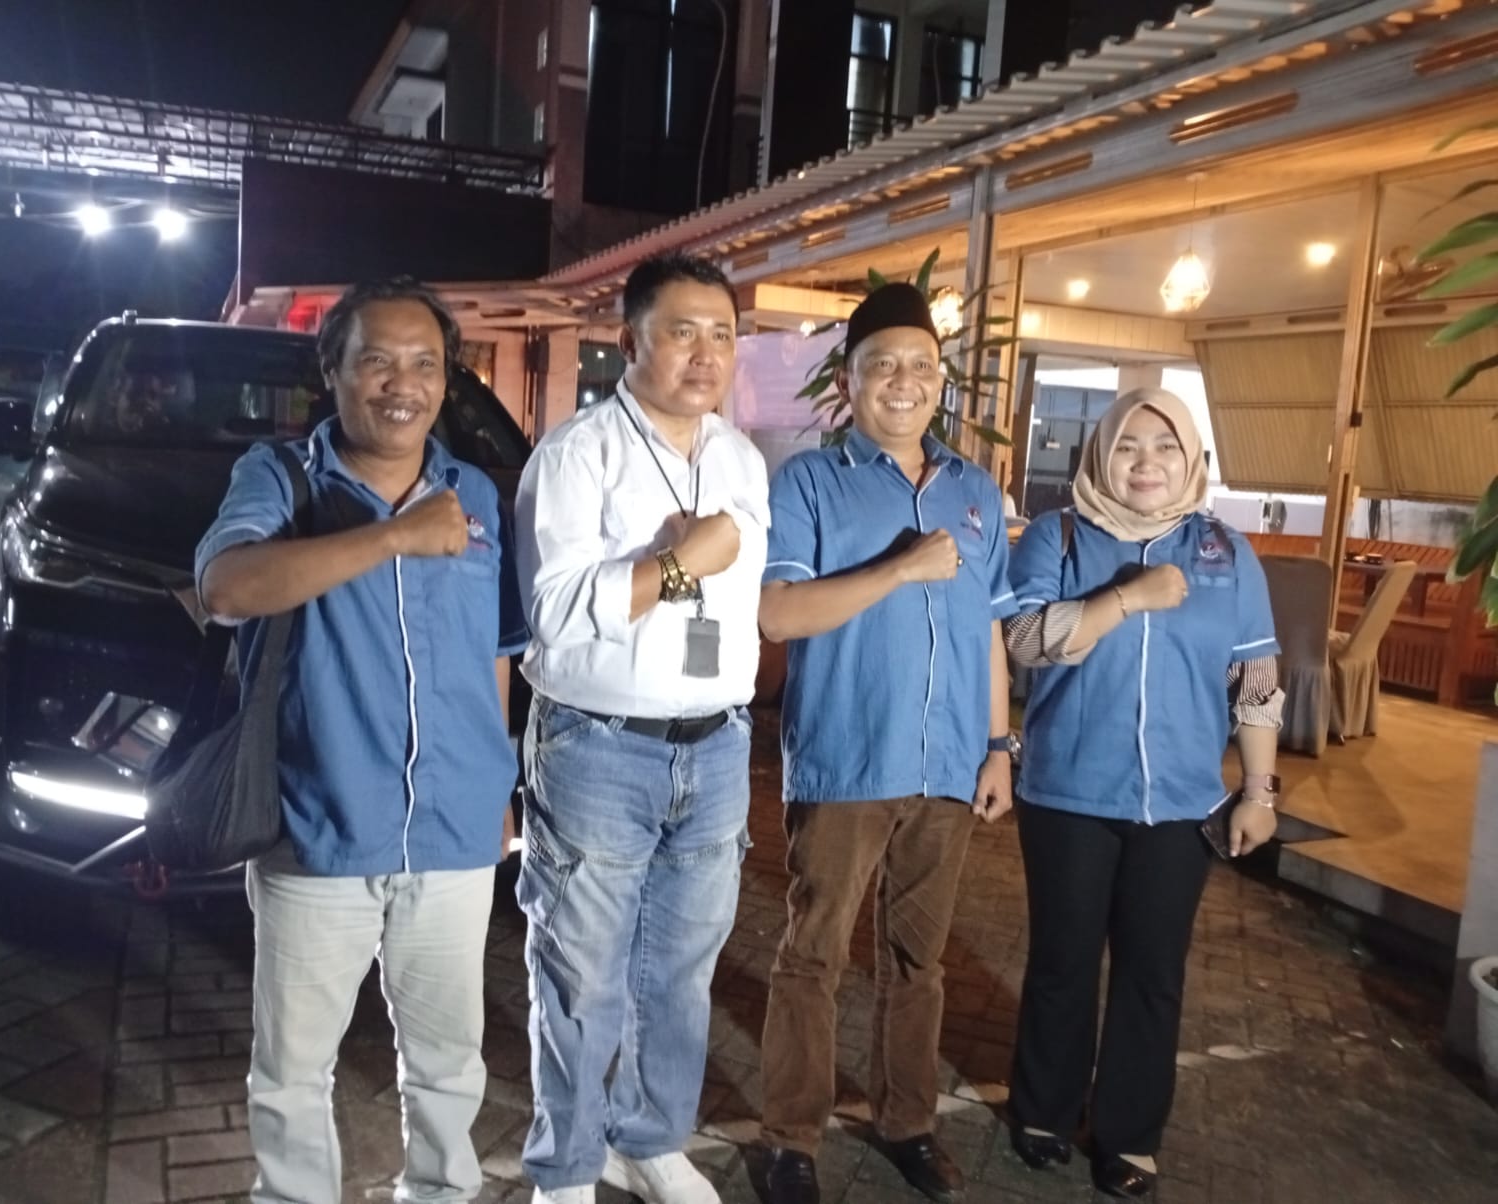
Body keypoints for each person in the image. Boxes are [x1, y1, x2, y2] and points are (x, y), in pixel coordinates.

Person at [195, 278, 527, 1204]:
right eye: (376, 360)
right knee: (294, 1069)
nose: (402, 383)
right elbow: (226, 589)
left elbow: (496, 651)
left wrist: (498, 786)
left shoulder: (474, 494)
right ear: (332, 372)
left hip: (454, 828)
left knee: (449, 1060)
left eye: (425, 363)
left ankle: (440, 1193)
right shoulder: (282, 477)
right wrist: (391, 538)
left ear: (447, 379)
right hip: (320, 823)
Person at [752, 283, 1019, 1204]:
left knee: (918, 963)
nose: (903, 381)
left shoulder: (975, 491)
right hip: (846, 762)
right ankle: (790, 1139)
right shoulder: (810, 482)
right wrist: (900, 567)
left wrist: (999, 746)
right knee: (813, 956)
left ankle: (907, 1124)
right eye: (882, 365)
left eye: (920, 365)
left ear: (940, 380)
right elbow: (779, 614)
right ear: (849, 380)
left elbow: (989, 628)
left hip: (949, 766)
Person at [513, 252, 769, 1204]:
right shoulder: (577, 456)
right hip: (598, 745)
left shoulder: (741, 459)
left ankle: (652, 1138)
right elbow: (555, 613)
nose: (705, 354)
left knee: (681, 971)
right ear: (630, 341)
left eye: (722, 335)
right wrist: (677, 565)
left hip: (717, 743)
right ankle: (568, 1167)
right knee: (581, 972)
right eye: (681, 332)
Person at [1002, 387, 1283, 1198]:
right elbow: (1026, 641)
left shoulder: (1227, 552)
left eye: (1165, 447)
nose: (1146, 463)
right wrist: (1126, 597)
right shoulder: (1057, 536)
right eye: (1128, 446)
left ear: (1191, 459)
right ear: (1100, 455)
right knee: (1061, 960)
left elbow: (1255, 681)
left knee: (1153, 971)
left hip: (1182, 806)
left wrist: (1259, 791)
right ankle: (1044, 1110)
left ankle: (1129, 1136)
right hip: (1067, 794)